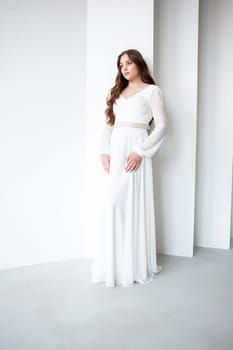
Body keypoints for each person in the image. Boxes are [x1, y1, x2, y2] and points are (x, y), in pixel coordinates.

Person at [91, 48, 167, 288]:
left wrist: (141, 151)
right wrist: (104, 150)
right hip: (117, 152)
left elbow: (162, 125)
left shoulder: (152, 91)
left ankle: (133, 266)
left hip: (135, 152)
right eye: (121, 64)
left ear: (139, 65)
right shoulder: (118, 93)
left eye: (129, 63)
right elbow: (109, 124)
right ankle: (114, 265)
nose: (124, 68)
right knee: (113, 204)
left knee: (132, 204)